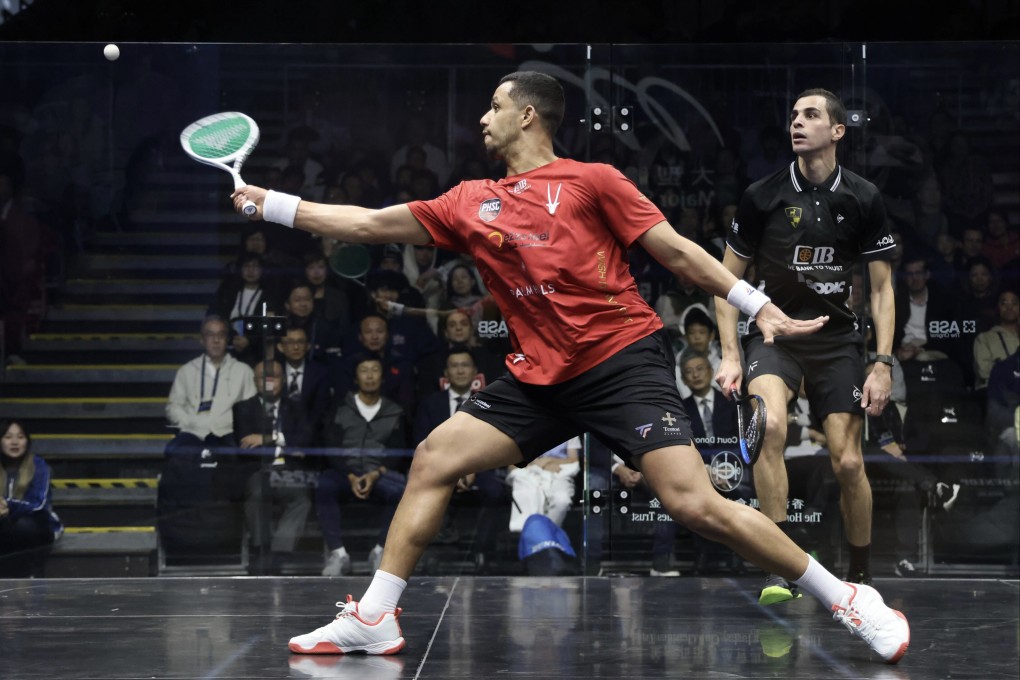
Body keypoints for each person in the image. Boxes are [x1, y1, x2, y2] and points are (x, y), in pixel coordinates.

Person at [233, 71, 909, 663]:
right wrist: (272, 204)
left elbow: (677, 253)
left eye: (495, 106)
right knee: (436, 456)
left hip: (620, 362)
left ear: (528, 115)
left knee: (694, 504)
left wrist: (758, 306)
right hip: (539, 378)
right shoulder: (470, 201)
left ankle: (847, 598)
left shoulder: (594, 181)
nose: (483, 118)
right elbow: (367, 225)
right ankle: (376, 617)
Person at [715, 88, 898, 603]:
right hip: (775, 336)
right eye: (793, 115)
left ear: (837, 131)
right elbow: (725, 282)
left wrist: (882, 363)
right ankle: (781, 570)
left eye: (810, 115)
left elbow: (882, 289)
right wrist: (730, 353)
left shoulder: (863, 197)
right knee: (770, 426)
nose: (796, 122)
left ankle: (860, 577)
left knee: (849, 463)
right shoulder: (761, 196)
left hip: (837, 341)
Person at [318, 354, 409, 577]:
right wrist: (350, 475)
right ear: (356, 378)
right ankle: (338, 554)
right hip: (345, 473)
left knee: (402, 490)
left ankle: (380, 552)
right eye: (364, 370)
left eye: (374, 370)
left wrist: (375, 474)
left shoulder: (395, 411)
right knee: (325, 485)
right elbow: (331, 447)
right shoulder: (340, 408)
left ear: (382, 377)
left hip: (379, 473)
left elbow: (397, 451)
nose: (369, 376)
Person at [233, 360, 316, 575]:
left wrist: (267, 438)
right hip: (258, 470)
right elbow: (246, 449)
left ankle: (278, 553)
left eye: (275, 376)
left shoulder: (297, 406)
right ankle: (261, 550)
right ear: (255, 381)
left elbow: (306, 441)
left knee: (302, 499)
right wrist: (284, 445)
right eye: (263, 377)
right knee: (257, 493)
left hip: (290, 471)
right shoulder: (243, 408)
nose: (269, 381)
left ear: (284, 380)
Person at [0, 420, 62, 577]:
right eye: (8, 437)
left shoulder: (39, 466)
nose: (14, 442)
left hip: (37, 526)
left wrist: (8, 505)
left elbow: (39, 505)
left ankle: (32, 576)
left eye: (20, 437)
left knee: (22, 525)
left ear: (27, 441)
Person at [507, 437, 581, 532]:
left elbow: (573, 460)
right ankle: (530, 533)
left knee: (561, 500)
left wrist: (549, 461)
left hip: (558, 473)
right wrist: (535, 464)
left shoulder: (571, 431)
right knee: (528, 495)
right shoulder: (525, 430)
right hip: (528, 472)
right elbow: (512, 463)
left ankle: (548, 534)